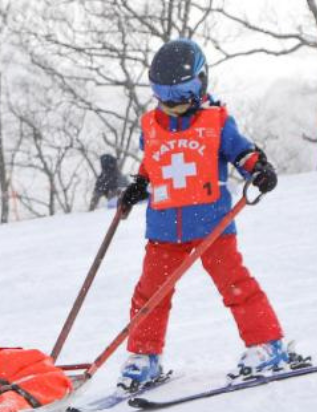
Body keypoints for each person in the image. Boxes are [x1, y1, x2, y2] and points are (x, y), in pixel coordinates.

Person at [115, 39, 309, 393]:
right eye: (164, 98)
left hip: (212, 226)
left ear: (200, 84)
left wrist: (258, 169)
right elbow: (153, 162)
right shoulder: (151, 125)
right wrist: (139, 185)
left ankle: (266, 345)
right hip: (162, 230)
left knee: (236, 285)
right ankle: (144, 356)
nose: (172, 107)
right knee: (149, 294)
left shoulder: (216, 121)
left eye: (181, 97)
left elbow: (241, 152)